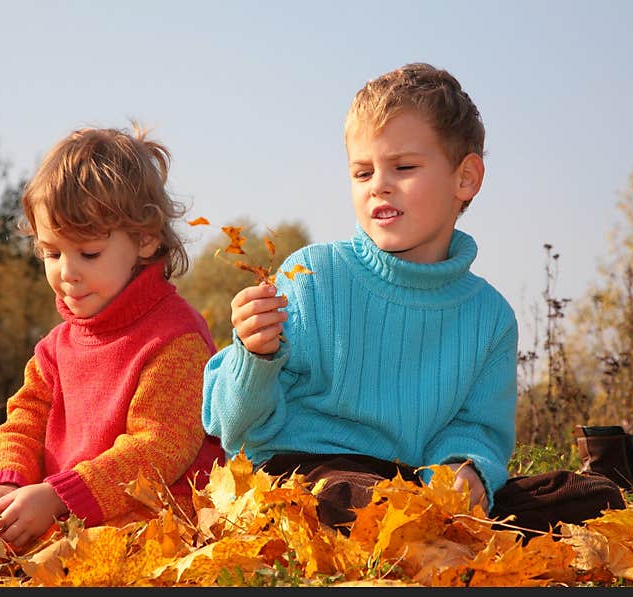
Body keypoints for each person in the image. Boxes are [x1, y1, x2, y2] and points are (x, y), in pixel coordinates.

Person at [202, 62, 518, 532]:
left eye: (404, 167)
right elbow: (235, 431)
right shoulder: (312, 277)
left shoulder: (490, 318)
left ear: (465, 178)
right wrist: (254, 356)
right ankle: (400, 518)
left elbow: (478, 429)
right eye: (362, 172)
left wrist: (465, 470)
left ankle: (417, 519)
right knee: (341, 494)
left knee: (582, 497)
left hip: (408, 483)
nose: (379, 185)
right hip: (305, 473)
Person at [0, 125, 223, 547]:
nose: (67, 272)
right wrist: (7, 478)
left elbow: (156, 450)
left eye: (88, 253)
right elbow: (24, 421)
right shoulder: (56, 347)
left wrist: (57, 497)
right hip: (65, 518)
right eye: (51, 253)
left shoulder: (175, 339)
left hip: (161, 529)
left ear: (145, 240)